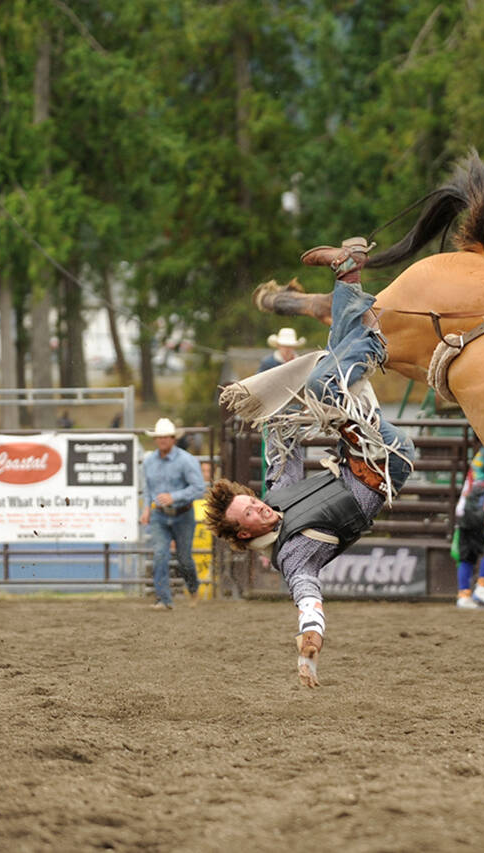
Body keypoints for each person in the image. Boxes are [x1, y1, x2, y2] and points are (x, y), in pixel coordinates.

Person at [203, 236, 415, 687]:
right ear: (246, 533)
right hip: (384, 465)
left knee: (324, 371)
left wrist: (271, 400)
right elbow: (307, 595)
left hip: (358, 446)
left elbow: (283, 445)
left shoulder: (277, 495)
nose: (259, 507)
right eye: (251, 514)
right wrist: (310, 638)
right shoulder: (294, 558)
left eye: (251, 502)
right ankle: (373, 339)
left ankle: (350, 273)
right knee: (324, 387)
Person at [141, 417, 206, 610]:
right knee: (160, 553)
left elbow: (198, 488)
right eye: (159, 437)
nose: (162, 440)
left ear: (173, 439)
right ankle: (163, 598)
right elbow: (148, 489)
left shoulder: (186, 461)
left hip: (183, 513)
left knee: (184, 558)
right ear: (155, 439)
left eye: (166, 437)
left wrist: (174, 497)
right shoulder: (149, 462)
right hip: (159, 514)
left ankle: (192, 588)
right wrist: (146, 508)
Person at [453, 444, 484, 608]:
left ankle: (464, 594)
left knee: (467, 555)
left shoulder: (482, 455)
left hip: (464, 510)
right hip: (481, 510)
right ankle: (482, 587)